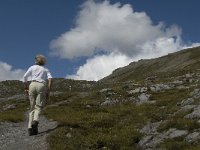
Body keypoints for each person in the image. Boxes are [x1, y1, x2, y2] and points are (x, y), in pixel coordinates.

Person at [23, 54, 52, 136]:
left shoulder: (32, 67)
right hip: (41, 85)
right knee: (38, 106)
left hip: (32, 84)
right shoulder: (45, 69)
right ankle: (35, 121)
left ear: (36, 61)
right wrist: (48, 89)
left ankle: (29, 128)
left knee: (32, 107)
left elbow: (25, 77)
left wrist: (25, 88)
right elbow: (50, 79)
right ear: (44, 62)